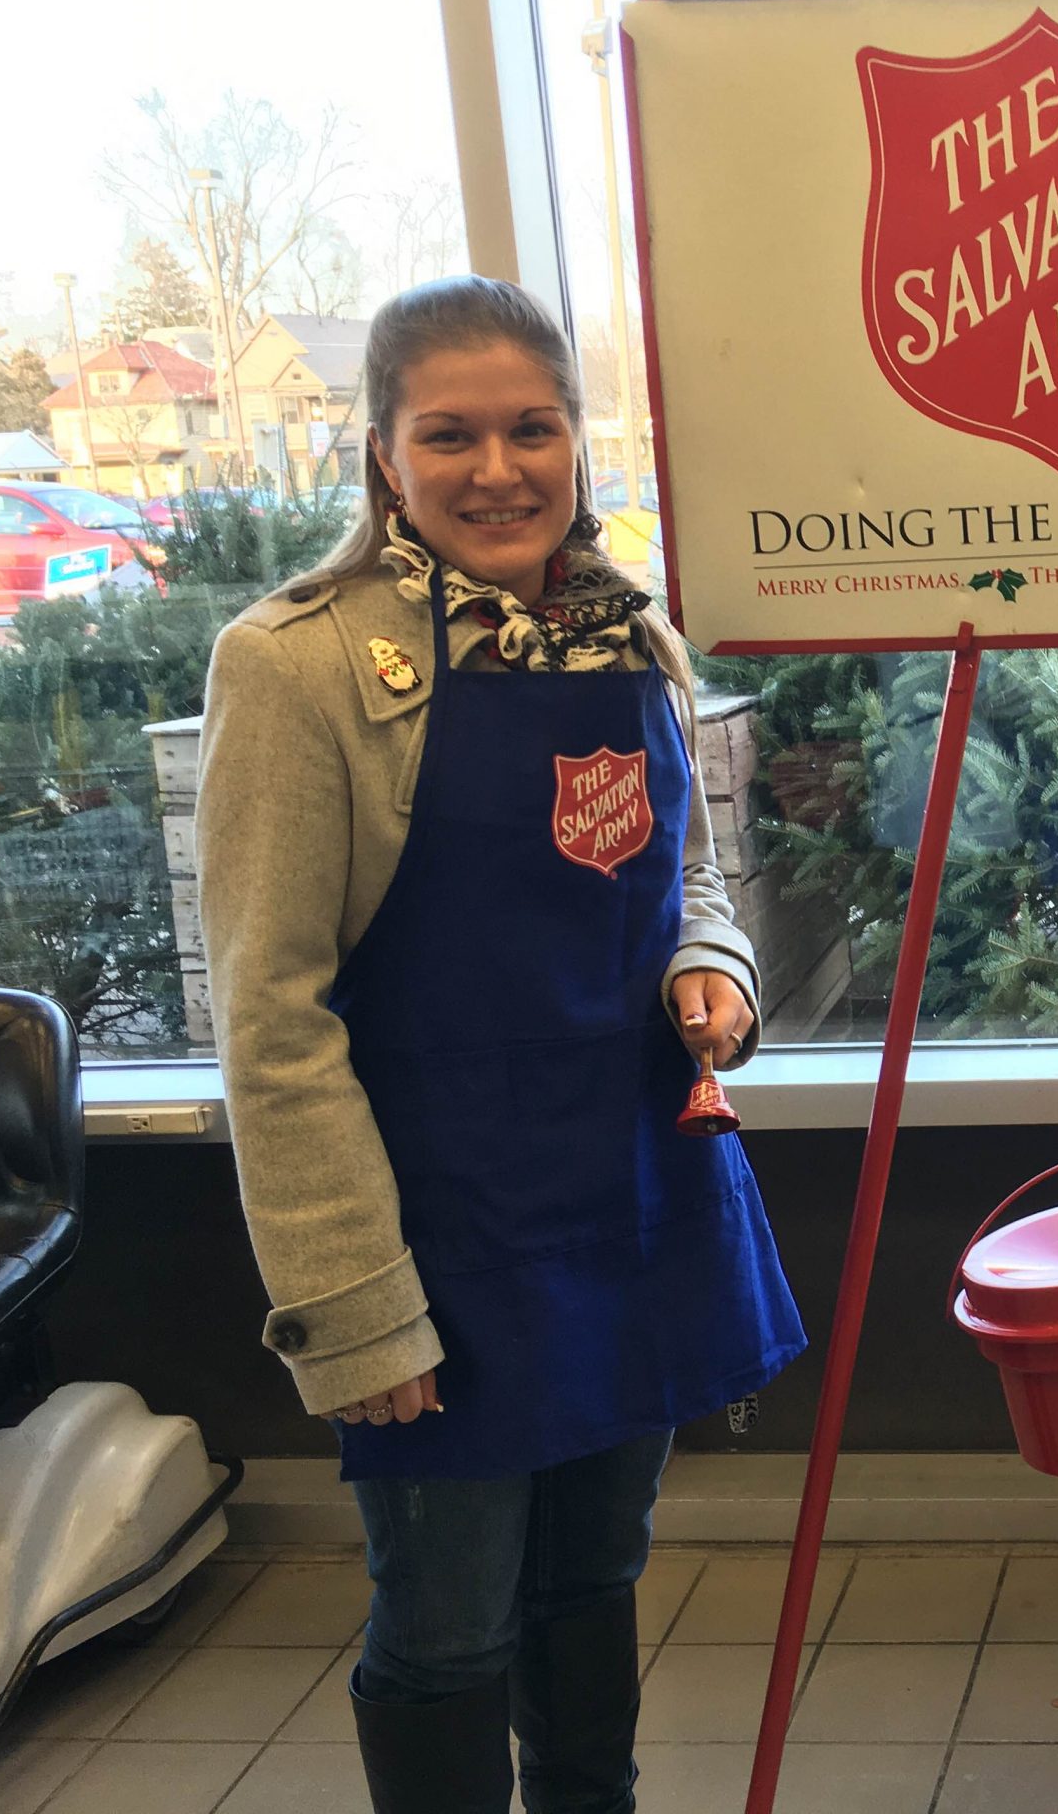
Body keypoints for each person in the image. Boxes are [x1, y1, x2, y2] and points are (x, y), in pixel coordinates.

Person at [197, 275, 805, 1814]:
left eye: (533, 426)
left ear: (578, 440)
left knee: (593, 1575)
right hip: (438, 1237)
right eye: (449, 434)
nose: (498, 469)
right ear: (385, 457)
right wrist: (353, 1305)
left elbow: (695, 879)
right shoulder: (298, 666)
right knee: (449, 1627)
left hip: (631, 1203)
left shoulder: (631, 632)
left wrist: (710, 966)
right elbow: (270, 1019)